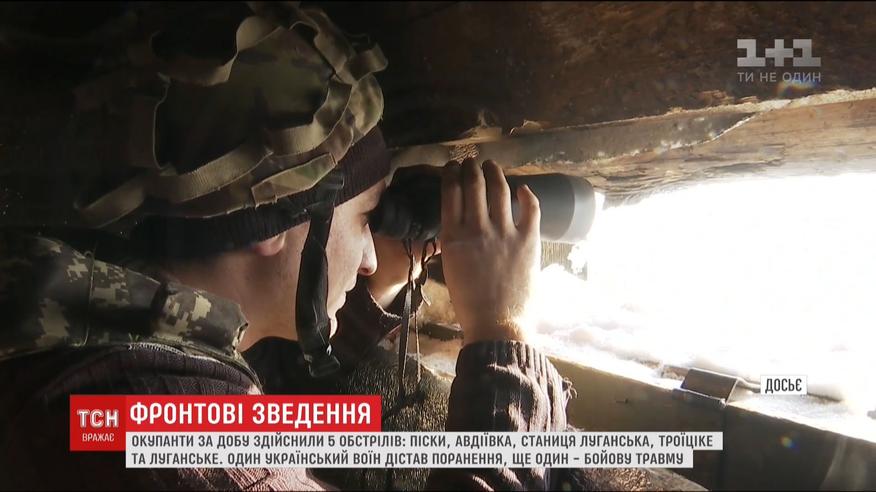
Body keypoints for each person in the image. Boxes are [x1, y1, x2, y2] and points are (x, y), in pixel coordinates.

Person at [0, 2, 572, 490]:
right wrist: (503, 329)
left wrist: (384, 271)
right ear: (271, 225)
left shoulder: (106, 321)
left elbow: (276, 386)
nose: (370, 257)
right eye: (364, 221)